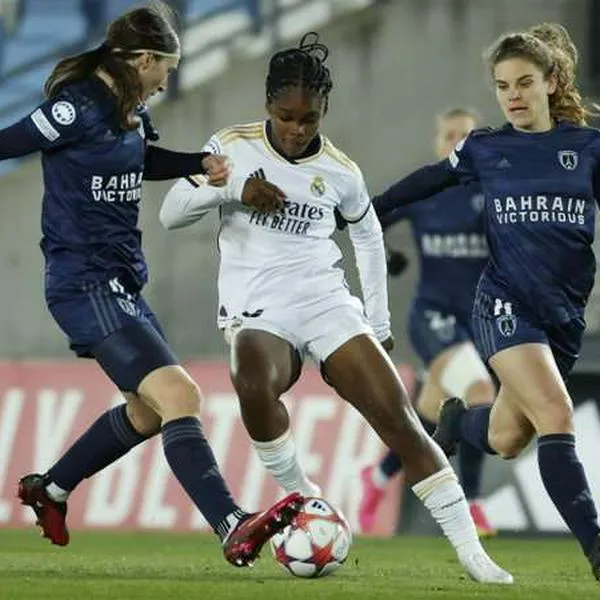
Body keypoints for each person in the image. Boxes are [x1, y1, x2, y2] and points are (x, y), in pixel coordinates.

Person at [159, 32, 512, 584]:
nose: (297, 130)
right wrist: (230, 191)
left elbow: (368, 239)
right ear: (268, 106)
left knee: (398, 419)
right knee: (252, 379)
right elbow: (171, 212)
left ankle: (474, 553)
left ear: (324, 111)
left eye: (310, 119)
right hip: (258, 307)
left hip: (326, 302)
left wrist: (378, 322)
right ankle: (305, 495)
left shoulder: (342, 172)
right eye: (286, 116)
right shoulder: (232, 146)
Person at [0, 3, 304, 567]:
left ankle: (52, 488)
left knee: (145, 411)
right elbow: (9, 139)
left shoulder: (128, 110)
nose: (169, 77)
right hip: (82, 280)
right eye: (167, 66)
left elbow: (138, 161)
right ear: (144, 60)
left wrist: (198, 162)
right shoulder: (77, 107)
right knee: (180, 397)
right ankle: (232, 525)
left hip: (120, 280)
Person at [372, 22, 600, 580]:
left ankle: (455, 424)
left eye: (524, 82)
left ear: (551, 82)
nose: (514, 95)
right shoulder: (486, 148)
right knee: (556, 413)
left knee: (506, 435)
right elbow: (428, 180)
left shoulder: (587, 148)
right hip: (503, 306)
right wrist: (367, 209)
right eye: (502, 86)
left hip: (564, 317)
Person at [359, 107, 496, 537]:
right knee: (480, 395)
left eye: (465, 135)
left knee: (429, 420)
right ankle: (472, 502)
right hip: (432, 316)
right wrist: (387, 255)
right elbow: (368, 218)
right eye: (449, 134)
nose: (457, 141)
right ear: (438, 143)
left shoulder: (490, 191)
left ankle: (379, 475)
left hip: (480, 321)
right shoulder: (427, 190)